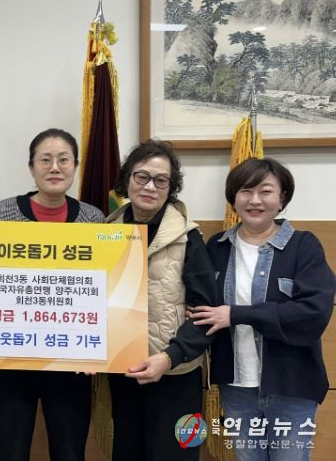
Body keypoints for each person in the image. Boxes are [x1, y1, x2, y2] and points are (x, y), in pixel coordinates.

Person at [191, 157, 335, 461]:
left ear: (282, 199)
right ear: (234, 198)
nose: (255, 200)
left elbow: (313, 313)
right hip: (236, 387)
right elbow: (200, 307)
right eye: (246, 191)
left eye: (266, 191)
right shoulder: (216, 247)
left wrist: (236, 314)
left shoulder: (303, 246)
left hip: (291, 386)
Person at [0, 128, 105, 461]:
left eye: (64, 160)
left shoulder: (93, 219)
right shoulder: (4, 212)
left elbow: (102, 290)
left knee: (69, 452)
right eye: (45, 160)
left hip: (72, 361)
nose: (54, 167)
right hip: (12, 359)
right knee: (10, 452)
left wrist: (101, 350)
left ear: (75, 166)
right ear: (31, 167)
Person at [105, 139, 216, 461]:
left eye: (161, 180)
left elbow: (206, 313)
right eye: (142, 176)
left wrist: (169, 358)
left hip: (176, 372)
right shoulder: (106, 233)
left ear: (171, 188)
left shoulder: (188, 237)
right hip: (125, 371)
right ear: (127, 179)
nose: (150, 186)